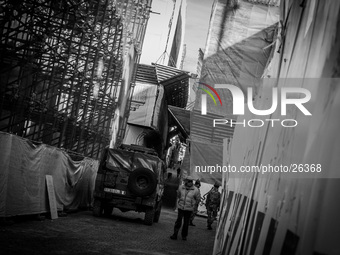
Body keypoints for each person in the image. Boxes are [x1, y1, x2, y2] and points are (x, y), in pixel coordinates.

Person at [170, 176, 200, 241]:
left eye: (191, 181)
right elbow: (178, 195)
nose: (190, 183)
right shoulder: (181, 187)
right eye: (188, 181)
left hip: (189, 209)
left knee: (186, 223)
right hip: (181, 207)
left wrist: (193, 206)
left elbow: (198, 199)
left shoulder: (195, 190)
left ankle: (184, 236)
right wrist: (178, 203)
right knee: (178, 221)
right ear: (186, 181)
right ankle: (175, 234)